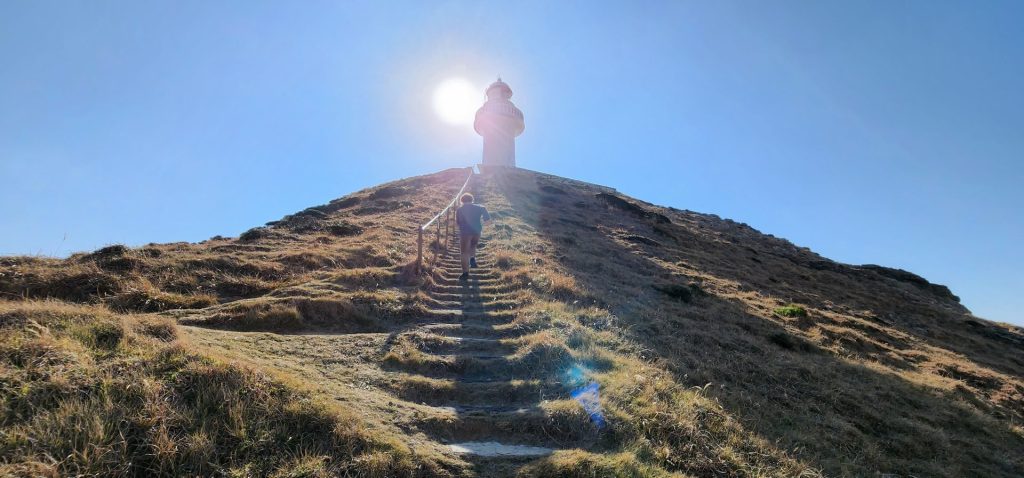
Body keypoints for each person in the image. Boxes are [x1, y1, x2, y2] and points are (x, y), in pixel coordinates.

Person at [455, 193, 490, 281]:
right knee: (473, 246)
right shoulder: (481, 207)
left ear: (461, 201)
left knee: (464, 252)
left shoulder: (459, 209)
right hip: (477, 231)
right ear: (472, 199)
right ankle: (472, 260)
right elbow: (488, 221)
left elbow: (458, 223)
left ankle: (465, 273)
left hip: (465, 232)